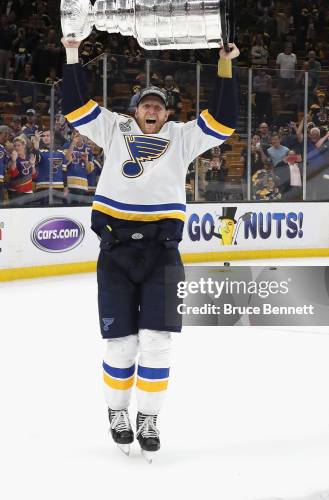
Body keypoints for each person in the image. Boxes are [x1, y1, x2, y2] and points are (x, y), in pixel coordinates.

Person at [60, 35, 238, 458]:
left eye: (159, 105)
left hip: (163, 252)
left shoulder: (182, 136)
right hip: (115, 251)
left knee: (158, 340)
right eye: (145, 104)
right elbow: (75, 105)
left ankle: (149, 417)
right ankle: (117, 412)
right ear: (134, 110)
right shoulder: (114, 128)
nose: (152, 110)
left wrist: (225, 65)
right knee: (121, 343)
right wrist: (71, 53)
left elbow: (225, 119)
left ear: (167, 113)